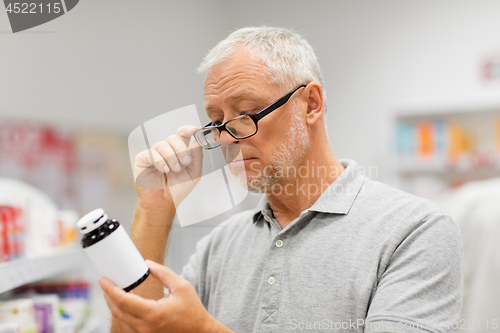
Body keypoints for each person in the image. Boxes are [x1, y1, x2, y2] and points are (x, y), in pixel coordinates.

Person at [99, 26, 463, 333]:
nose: (227, 137)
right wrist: (155, 210)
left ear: (310, 105)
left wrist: (204, 329)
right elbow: (135, 327)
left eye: (246, 112)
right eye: (217, 119)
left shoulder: (414, 231)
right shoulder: (221, 246)